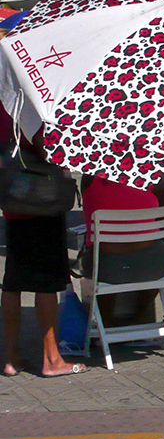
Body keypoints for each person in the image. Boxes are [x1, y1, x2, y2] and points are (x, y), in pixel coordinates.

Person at [0, 124, 85, 378]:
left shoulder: (6, 106)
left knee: (12, 283)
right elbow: (46, 146)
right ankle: (51, 359)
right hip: (43, 202)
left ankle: (11, 358)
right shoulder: (35, 107)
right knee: (46, 284)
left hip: (14, 202)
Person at [80, 176, 164, 330]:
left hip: (104, 267)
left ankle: (105, 323)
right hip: (153, 266)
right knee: (159, 254)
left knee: (105, 262)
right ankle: (139, 315)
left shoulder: (91, 177)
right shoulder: (154, 177)